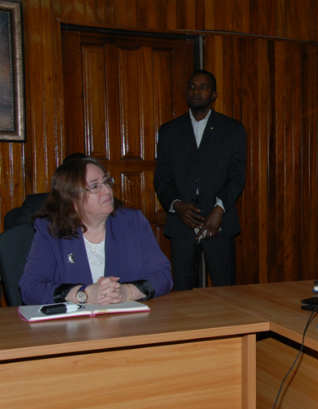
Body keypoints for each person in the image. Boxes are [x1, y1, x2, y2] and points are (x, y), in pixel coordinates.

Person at [20, 157, 172, 305]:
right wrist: (83, 294)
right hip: (72, 327)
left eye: (106, 182)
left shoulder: (132, 222)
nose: (107, 191)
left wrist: (126, 292)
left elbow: (163, 276)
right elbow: (30, 289)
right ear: (72, 199)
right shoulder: (51, 231)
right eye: (95, 186)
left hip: (128, 324)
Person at [154, 69, 246, 290]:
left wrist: (219, 209)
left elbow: (237, 176)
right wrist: (177, 206)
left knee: (226, 291)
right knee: (183, 294)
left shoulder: (232, 129)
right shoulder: (169, 131)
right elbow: (161, 179)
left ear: (213, 94)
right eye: (192, 87)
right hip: (182, 224)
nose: (196, 92)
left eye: (203, 87)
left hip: (218, 223)